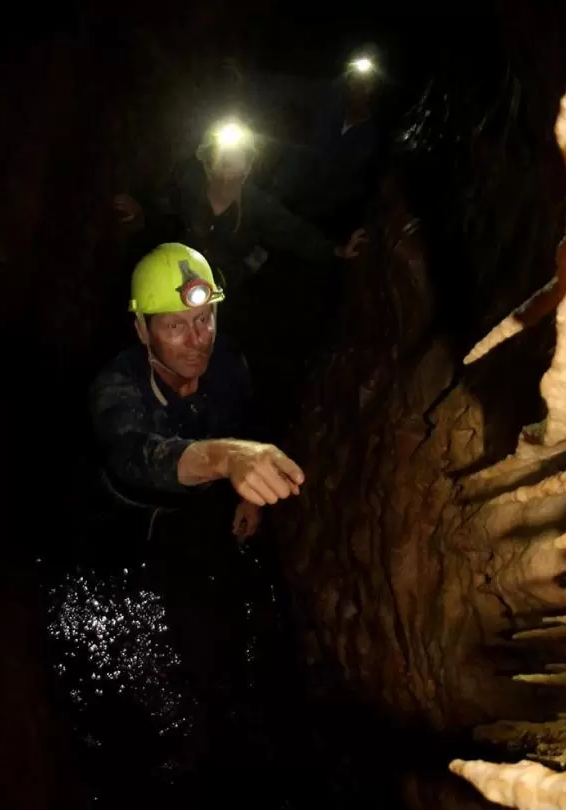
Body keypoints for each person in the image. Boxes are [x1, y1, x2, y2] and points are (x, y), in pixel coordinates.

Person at [89, 241, 306, 539]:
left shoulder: (227, 363)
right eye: (175, 327)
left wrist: (249, 498)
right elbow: (133, 454)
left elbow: (246, 423)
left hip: (197, 502)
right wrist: (227, 458)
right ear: (142, 330)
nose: (198, 340)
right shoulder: (117, 384)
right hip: (125, 512)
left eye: (204, 318)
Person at [115, 121, 364, 301]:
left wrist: (337, 250)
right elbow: (164, 206)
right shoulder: (190, 186)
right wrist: (139, 210)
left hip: (226, 290)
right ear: (207, 161)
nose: (227, 160)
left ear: (247, 166)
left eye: (237, 156)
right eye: (221, 154)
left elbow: (295, 233)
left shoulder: (258, 205)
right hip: (180, 275)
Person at [245, 48, 389, 240]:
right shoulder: (331, 101)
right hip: (290, 183)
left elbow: (348, 185)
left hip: (318, 208)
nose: (359, 88)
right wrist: (249, 78)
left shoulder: (370, 139)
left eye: (366, 84)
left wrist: (314, 212)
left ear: (375, 91)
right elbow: (291, 87)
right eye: (355, 80)